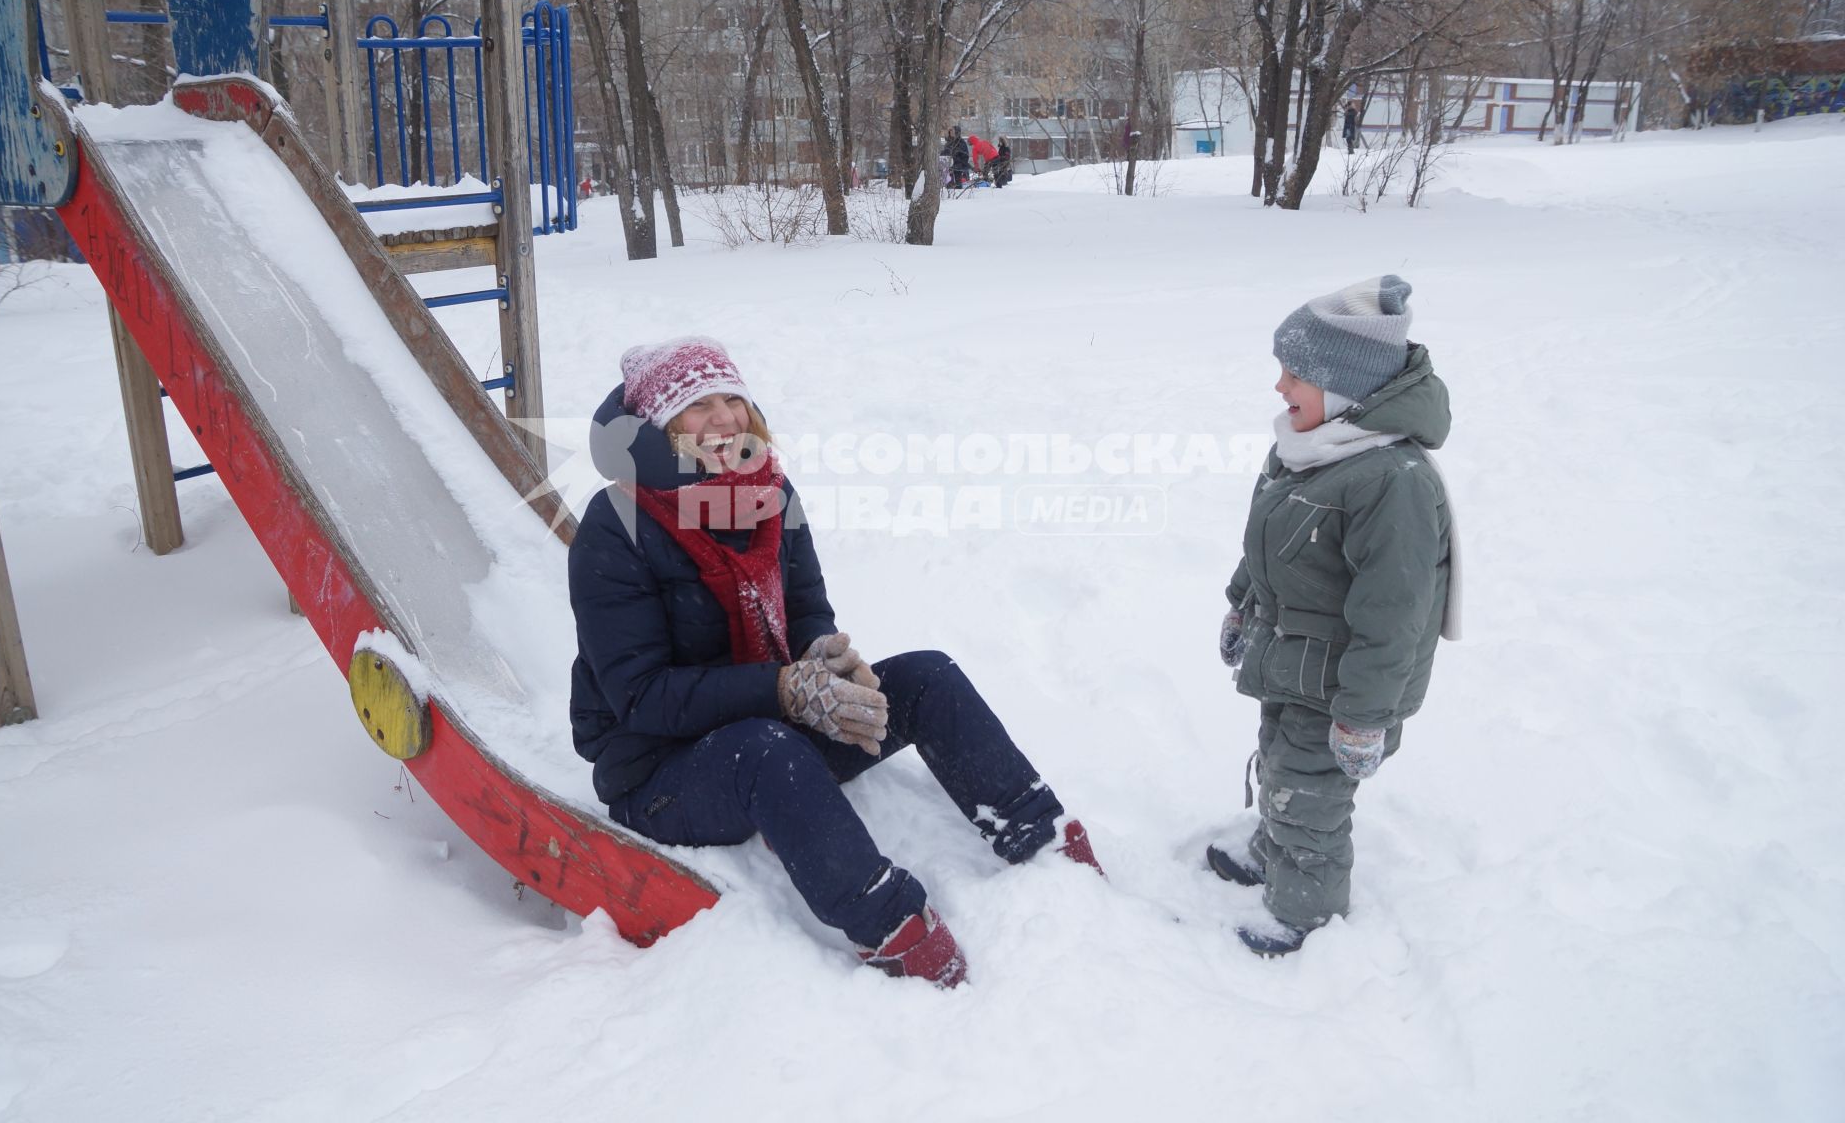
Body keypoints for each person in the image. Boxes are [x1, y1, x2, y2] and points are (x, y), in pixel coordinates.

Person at [569, 338, 1102, 988]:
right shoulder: (616, 523)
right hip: (658, 774)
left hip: (773, 727)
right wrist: (786, 688)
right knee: (766, 749)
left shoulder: (768, 489)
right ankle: (894, 930)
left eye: (733, 399)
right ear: (660, 424)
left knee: (927, 676)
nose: (725, 419)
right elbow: (641, 696)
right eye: (698, 406)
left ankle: (1043, 843)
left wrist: (824, 661)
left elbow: (805, 605)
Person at [1207, 276, 1460, 956]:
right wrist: (1241, 604)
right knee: (1282, 764)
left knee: (1312, 793)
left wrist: (1364, 716)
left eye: (1295, 374)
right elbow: (1265, 545)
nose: (1280, 388)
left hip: (1346, 686)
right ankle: (1273, 844)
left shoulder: (1391, 483)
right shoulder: (1305, 448)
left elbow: (1395, 617)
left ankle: (1305, 909)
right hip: (1292, 660)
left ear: (1346, 388)